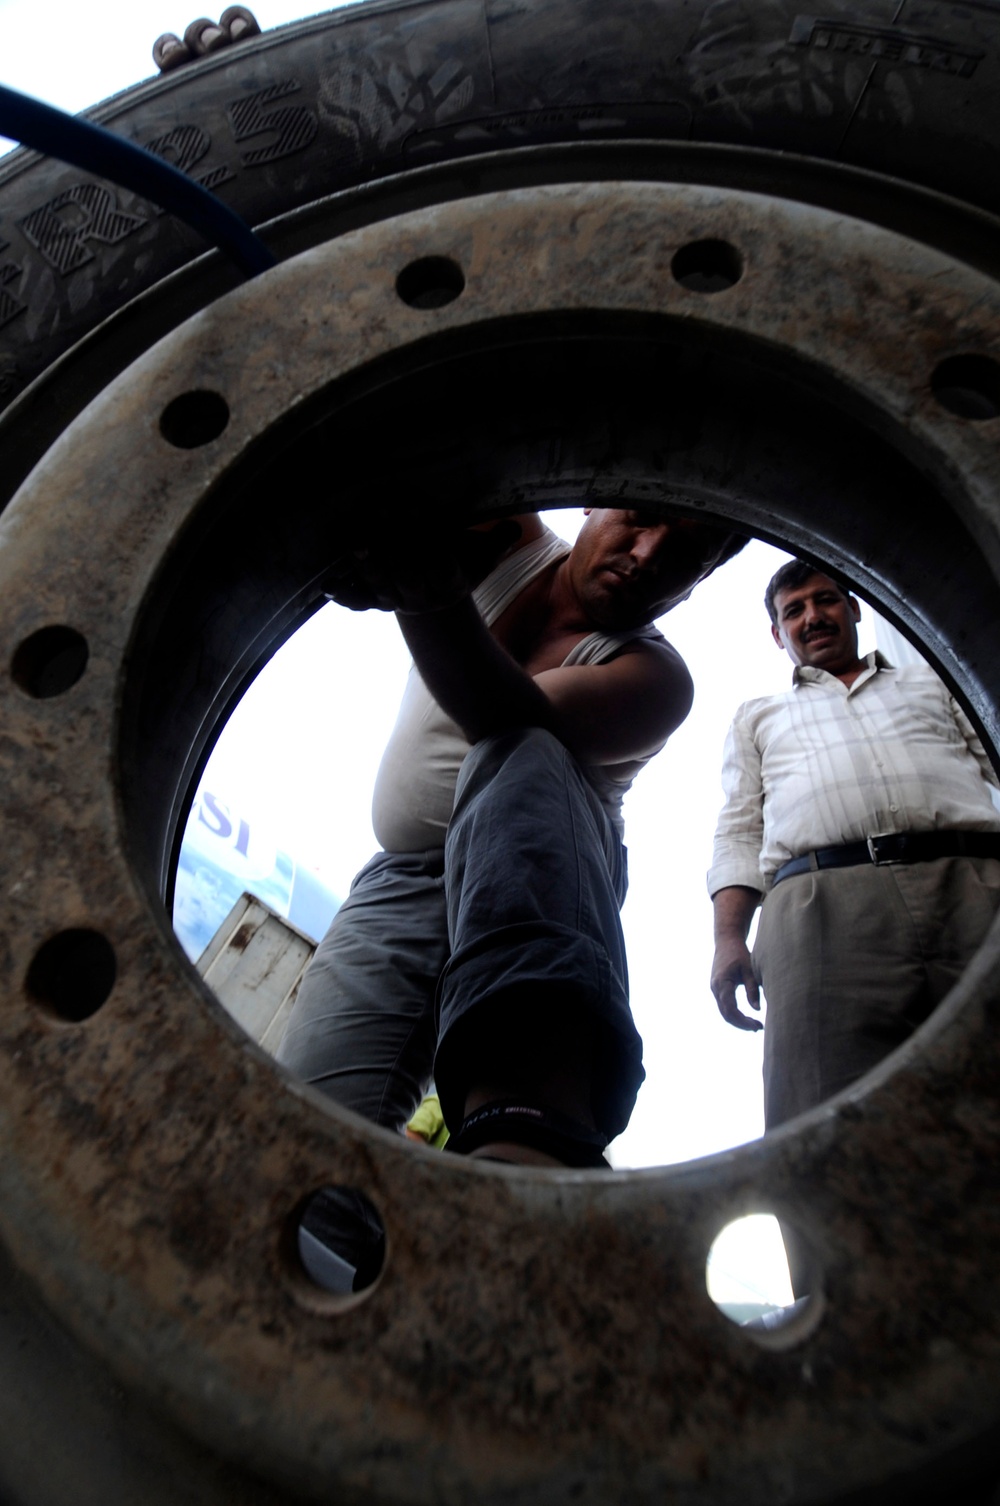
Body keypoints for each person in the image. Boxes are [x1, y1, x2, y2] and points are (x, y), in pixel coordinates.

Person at [277, 508, 745, 1167]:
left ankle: (532, 1114)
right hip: (405, 877)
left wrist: (421, 588)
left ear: (705, 576)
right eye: (640, 517)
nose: (647, 554)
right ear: (592, 500)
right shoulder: (510, 539)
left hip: (540, 884)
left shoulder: (658, 678)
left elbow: (507, 717)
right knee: (308, 1136)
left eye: (688, 552)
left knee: (527, 747)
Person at [709, 560, 1000, 1287]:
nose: (813, 616)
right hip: (819, 909)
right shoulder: (757, 716)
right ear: (777, 634)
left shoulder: (937, 683)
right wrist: (727, 938)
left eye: (826, 600)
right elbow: (739, 828)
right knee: (822, 1124)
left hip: (976, 882)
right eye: (795, 610)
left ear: (855, 608)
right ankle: (843, 1330)